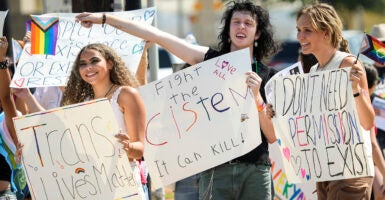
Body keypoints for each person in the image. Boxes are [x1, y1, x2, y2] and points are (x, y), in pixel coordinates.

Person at [76, 0, 279, 199]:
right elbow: (157, 36)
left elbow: (271, 135)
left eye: (248, 23)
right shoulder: (209, 61)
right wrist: (104, 19)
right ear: (228, 29)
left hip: (255, 170)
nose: (241, 27)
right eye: (236, 22)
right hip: (216, 171)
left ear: (257, 33)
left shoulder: (267, 76)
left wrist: (256, 97)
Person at [295, 3, 375, 199]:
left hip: (351, 171)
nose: (300, 37)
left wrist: (355, 90)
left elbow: (368, 122)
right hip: (325, 170)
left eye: (307, 30)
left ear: (326, 33)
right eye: (298, 30)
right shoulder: (314, 71)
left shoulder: (348, 63)